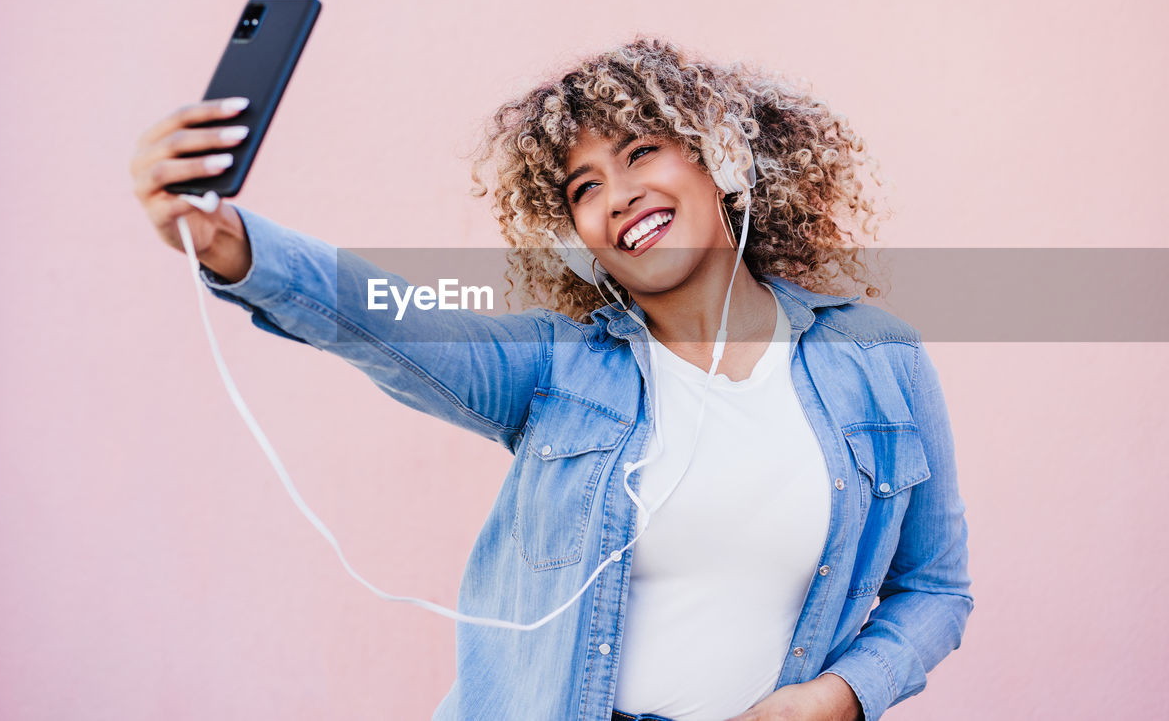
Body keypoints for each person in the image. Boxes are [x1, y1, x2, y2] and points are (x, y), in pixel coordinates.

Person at [130, 39, 972, 721]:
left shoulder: (877, 359)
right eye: (584, 187)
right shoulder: (558, 368)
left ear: (722, 160)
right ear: (575, 235)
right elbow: (393, 321)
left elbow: (933, 589)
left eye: (644, 152)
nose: (620, 195)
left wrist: (837, 698)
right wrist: (232, 241)